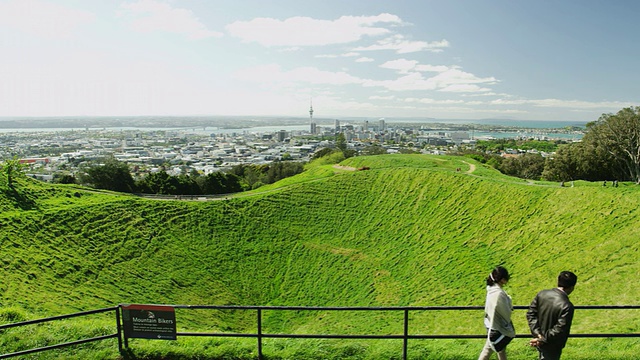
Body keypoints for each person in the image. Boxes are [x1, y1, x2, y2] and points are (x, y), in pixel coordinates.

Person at [526, 271, 578, 360]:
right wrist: (542, 339)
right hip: (552, 344)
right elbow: (559, 330)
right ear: (572, 287)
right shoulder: (567, 306)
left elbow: (531, 314)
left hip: (539, 338)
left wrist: (538, 334)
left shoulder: (542, 294)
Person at [478, 266, 515, 360]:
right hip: (497, 327)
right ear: (502, 279)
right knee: (488, 351)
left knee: (500, 349)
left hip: (490, 323)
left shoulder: (491, 289)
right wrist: (509, 300)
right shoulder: (499, 293)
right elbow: (506, 312)